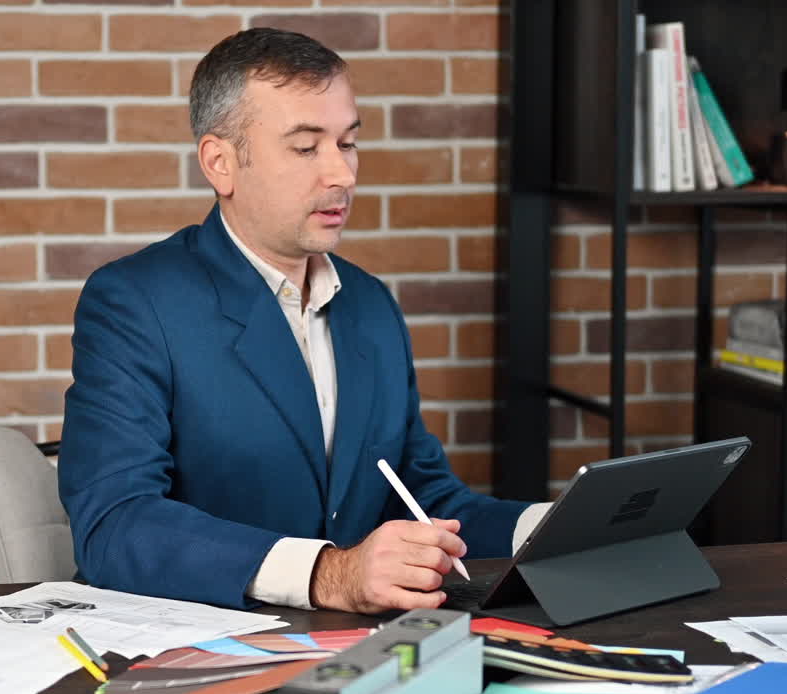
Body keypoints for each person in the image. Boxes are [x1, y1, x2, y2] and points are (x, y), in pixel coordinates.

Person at [58, 27, 548, 614]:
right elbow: (114, 522)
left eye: (348, 143)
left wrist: (548, 528)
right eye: (306, 147)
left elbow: (422, 499)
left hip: (356, 656)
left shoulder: (370, 305)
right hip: (198, 649)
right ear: (221, 163)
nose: (341, 174)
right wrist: (330, 574)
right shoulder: (134, 302)